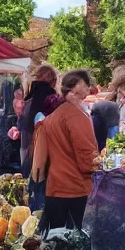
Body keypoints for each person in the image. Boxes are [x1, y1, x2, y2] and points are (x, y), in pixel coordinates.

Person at [37, 69, 100, 231]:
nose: (88, 89)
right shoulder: (77, 116)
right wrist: (97, 166)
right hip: (75, 188)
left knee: (56, 242)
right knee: (78, 244)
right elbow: (86, 155)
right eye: (85, 85)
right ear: (76, 88)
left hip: (55, 187)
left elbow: (42, 157)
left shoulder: (53, 117)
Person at [20, 64, 59, 211]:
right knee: (41, 187)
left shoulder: (30, 96)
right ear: (53, 80)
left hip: (27, 151)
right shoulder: (50, 97)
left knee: (31, 187)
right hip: (43, 150)